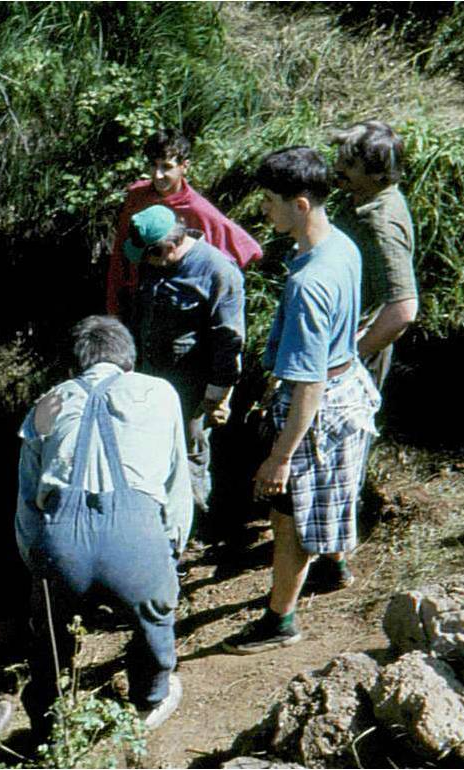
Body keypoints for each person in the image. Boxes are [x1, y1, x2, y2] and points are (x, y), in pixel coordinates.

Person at [220, 148, 380, 655]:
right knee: (336, 485)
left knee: (288, 513)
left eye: (270, 200)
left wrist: (280, 457)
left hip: (319, 405)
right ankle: (334, 565)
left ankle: (280, 621)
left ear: (302, 204)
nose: (263, 209)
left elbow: (307, 384)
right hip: (348, 383)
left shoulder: (309, 283)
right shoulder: (341, 246)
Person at [15, 315, 192, 737]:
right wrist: (169, 555)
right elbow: (177, 483)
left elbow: (26, 502)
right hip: (136, 534)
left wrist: (40, 569)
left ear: (75, 366)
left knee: (51, 639)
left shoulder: (46, 403)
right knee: (154, 620)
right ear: (128, 360)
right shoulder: (160, 393)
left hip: (60, 539)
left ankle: (47, 725)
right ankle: (150, 697)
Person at [125, 203, 245, 517]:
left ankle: (189, 528)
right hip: (150, 380)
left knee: (190, 456)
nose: (145, 263)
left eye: (150, 255)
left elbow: (230, 338)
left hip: (192, 390)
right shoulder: (154, 260)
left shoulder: (217, 270)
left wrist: (217, 395)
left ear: (171, 246)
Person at [106, 128, 261, 318]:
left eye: (166, 166)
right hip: (135, 298)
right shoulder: (137, 196)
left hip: (175, 306)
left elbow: (248, 250)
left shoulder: (198, 209)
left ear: (184, 166)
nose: (158, 175)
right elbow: (120, 253)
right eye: (153, 166)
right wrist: (114, 304)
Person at [330, 120, 418, 391]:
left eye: (350, 165)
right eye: (340, 159)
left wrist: (349, 358)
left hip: (353, 345)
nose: (338, 168)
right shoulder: (363, 197)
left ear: (378, 175)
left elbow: (403, 310)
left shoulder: (379, 224)